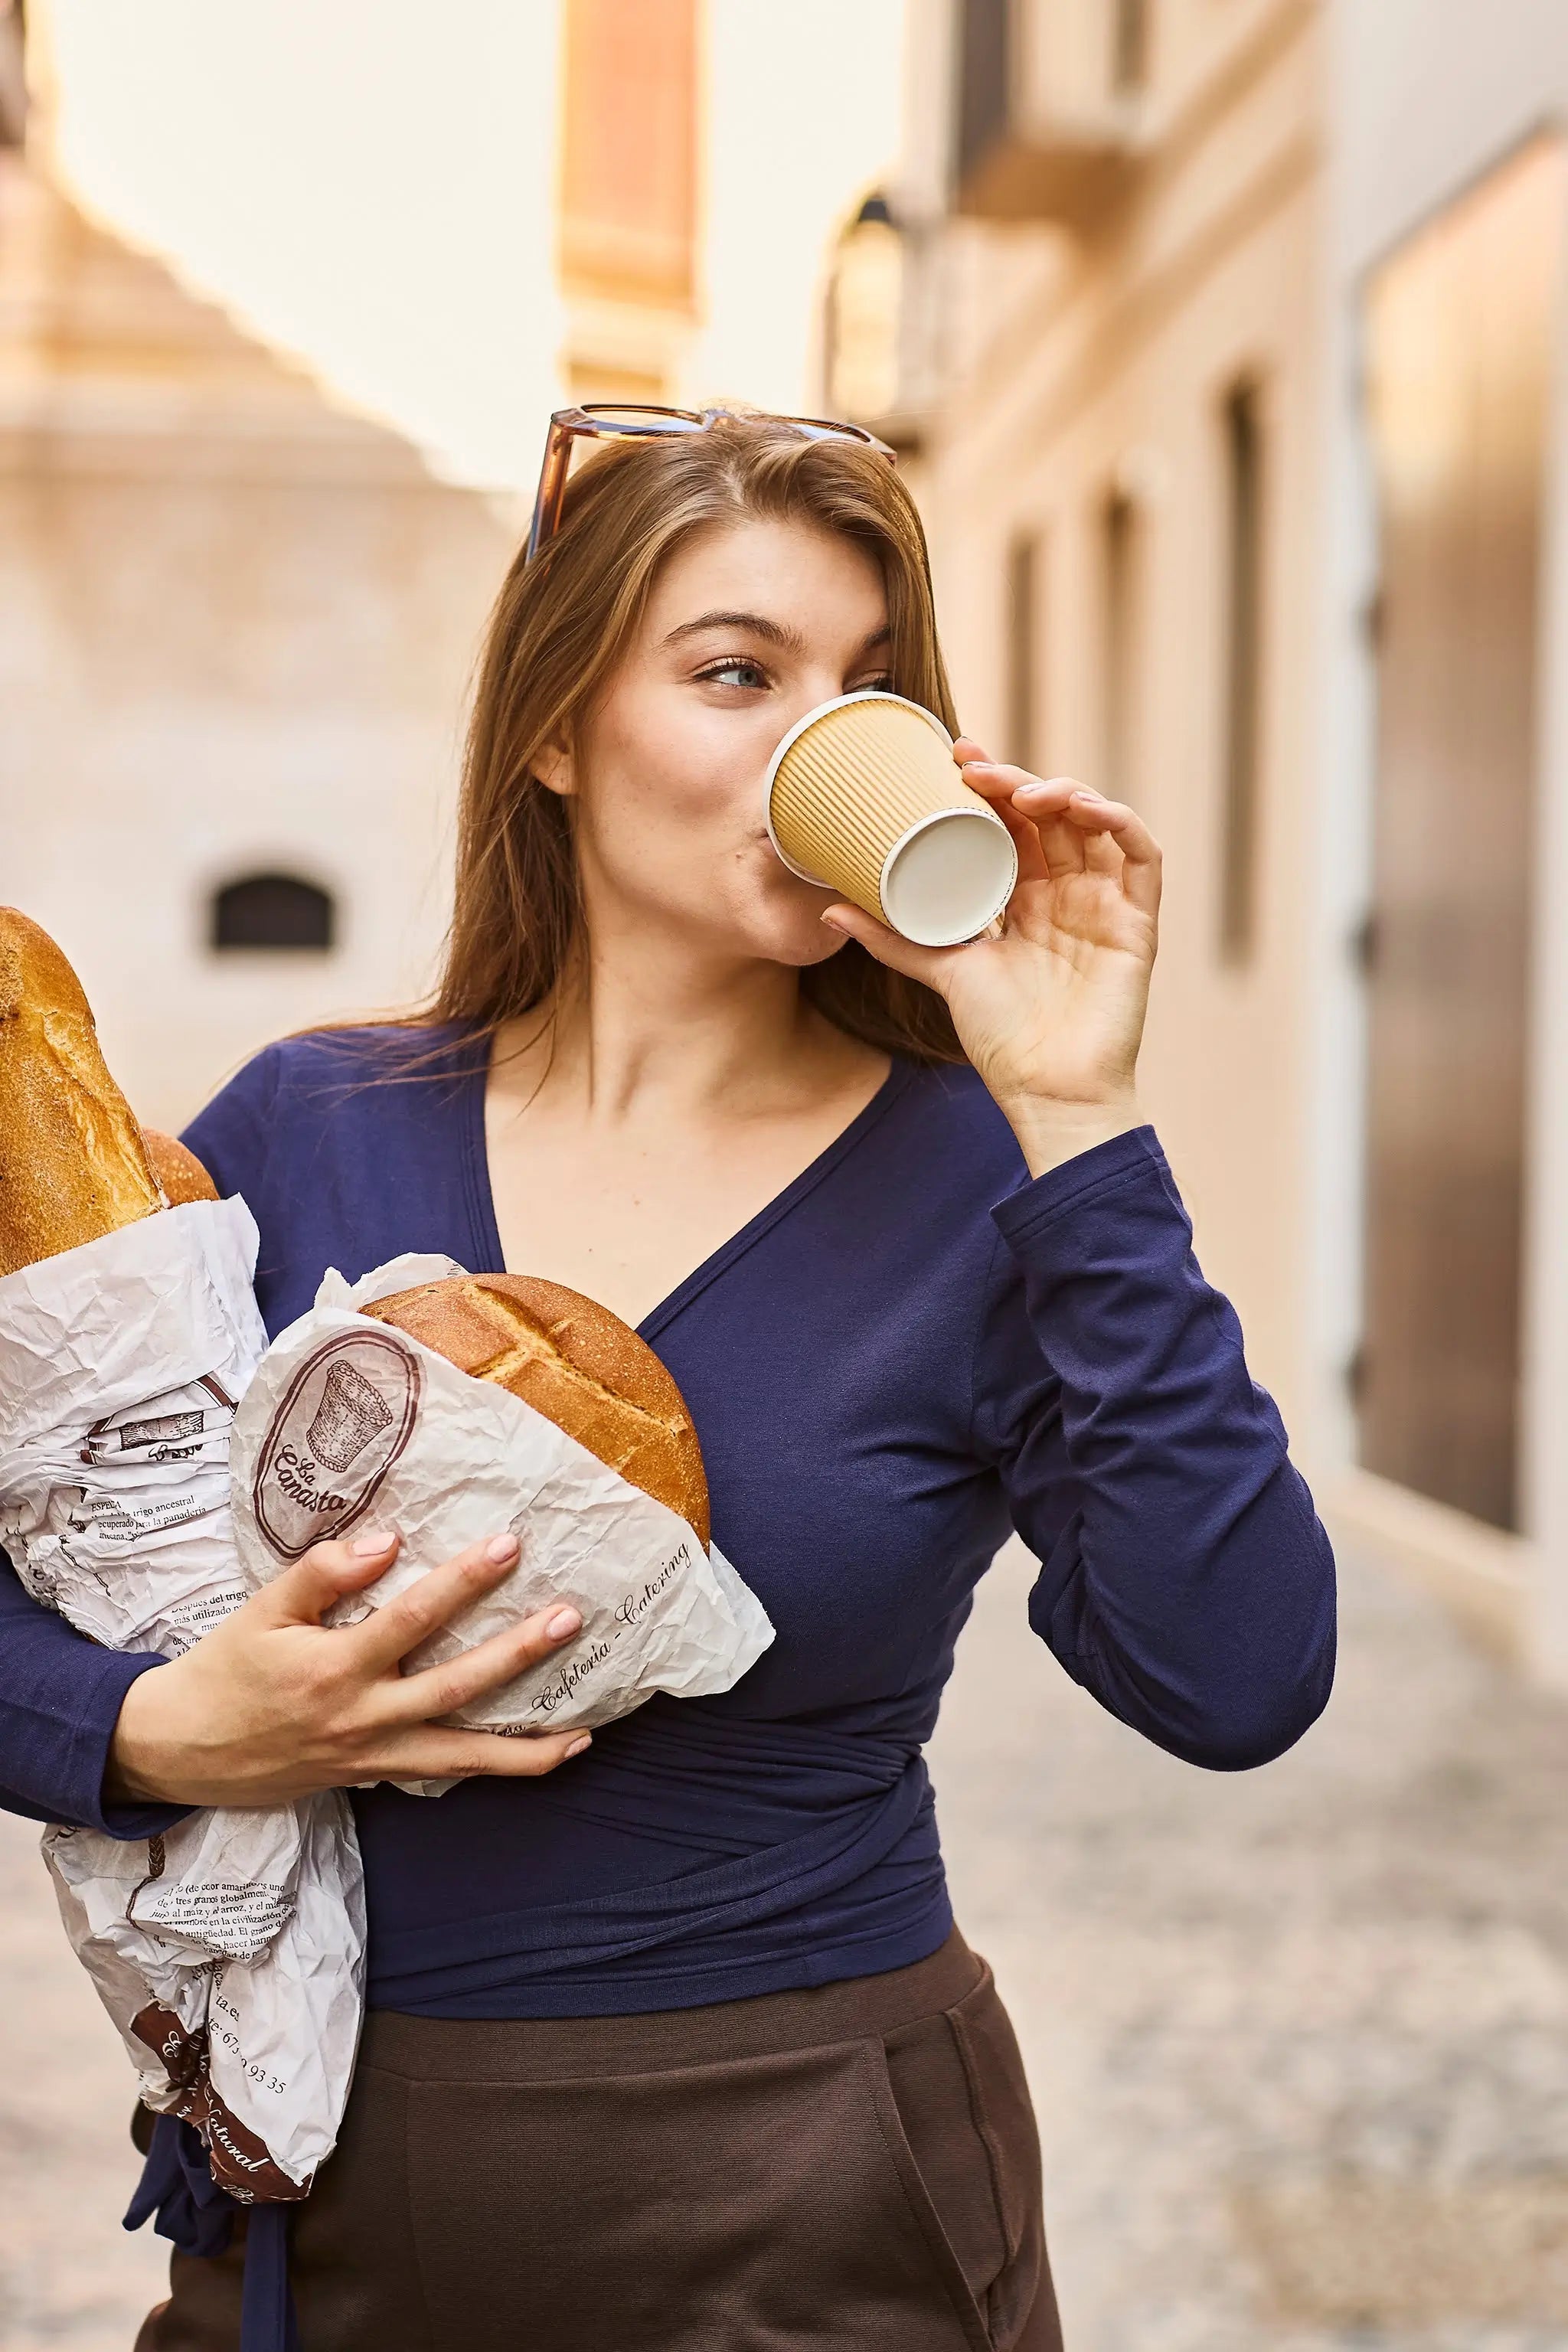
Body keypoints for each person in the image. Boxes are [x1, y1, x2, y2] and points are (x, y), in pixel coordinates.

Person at [0, 407, 1335, 2352]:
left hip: (812, 2197)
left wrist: (1079, 1118)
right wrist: (154, 1734)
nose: (822, 740)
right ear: (555, 733)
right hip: (312, 2197)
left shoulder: (992, 1184)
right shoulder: (307, 1131)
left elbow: (1238, 1680)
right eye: (738, 674)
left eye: (870, 686)